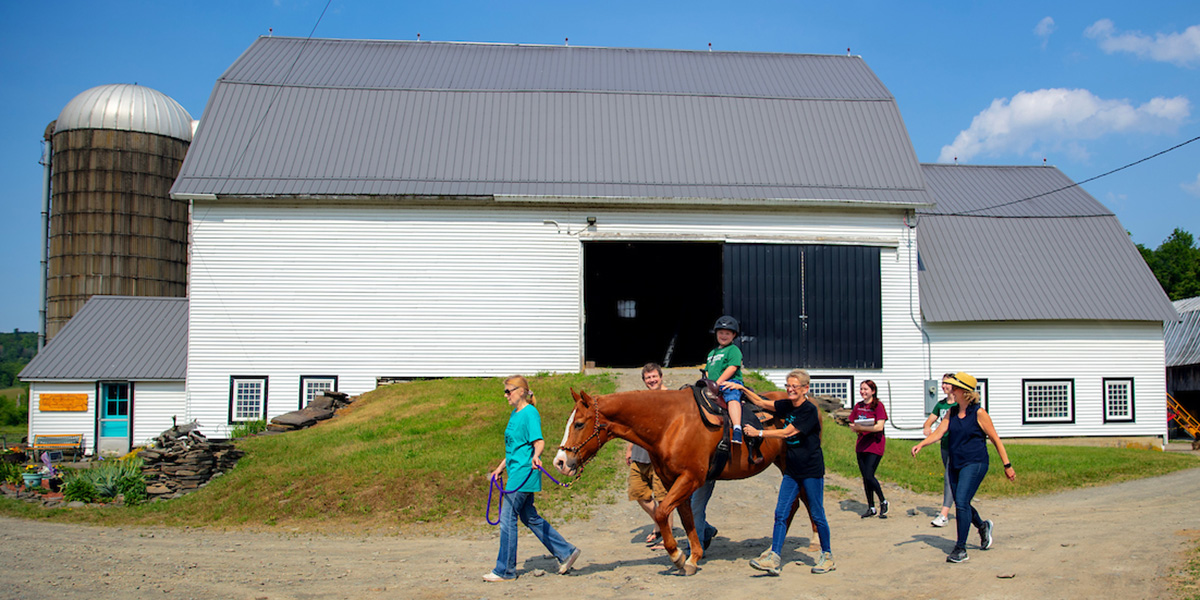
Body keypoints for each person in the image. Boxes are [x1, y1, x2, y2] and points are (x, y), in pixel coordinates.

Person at [736, 370, 835, 575]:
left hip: (810, 470)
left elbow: (787, 432)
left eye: (794, 386)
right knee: (780, 513)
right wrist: (742, 388)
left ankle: (827, 556)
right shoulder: (788, 405)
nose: (790, 389)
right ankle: (774, 557)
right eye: (788, 385)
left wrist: (759, 433)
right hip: (792, 470)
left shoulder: (809, 411)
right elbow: (764, 403)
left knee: (817, 514)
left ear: (805, 389)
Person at [911, 372, 1016, 564]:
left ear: (964, 391)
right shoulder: (951, 412)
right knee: (963, 502)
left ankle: (960, 548)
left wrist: (1007, 465)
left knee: (960, 501)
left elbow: (995, 439)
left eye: (954, 386)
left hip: (975, 463)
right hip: (955, 463)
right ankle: (982, 526)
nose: (950, 388)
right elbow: (939, 433)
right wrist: (922, 444)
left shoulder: (979, 413)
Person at [484, 376, 582, 582]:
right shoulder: (515, 414)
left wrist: (536, 456)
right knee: (529, 517)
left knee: (507, 519)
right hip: (514, 470)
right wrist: (500, 468)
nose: (506, 395)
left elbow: (538, 441)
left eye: (508, 391)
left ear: (521, 391)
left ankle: (505, 570)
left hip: (523, 473)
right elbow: (514, 447)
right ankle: (566, 552)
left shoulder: (530, 413)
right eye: (505, 391)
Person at [626, 363, 674, 550]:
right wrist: (629, 449)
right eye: (648, 378)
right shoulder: (642, 397)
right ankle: (660, 524)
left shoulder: (670, 398)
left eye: (654, 376)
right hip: (639, 453)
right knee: (639, 494)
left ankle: (667, 537)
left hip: (660, 456)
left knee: (664, 498)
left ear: (661, 377)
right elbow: (634, 426)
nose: (652, 380)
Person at [848, 380, 889, 518]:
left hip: (875, 444)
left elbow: (879, 427)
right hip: (861, 445)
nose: (863, 392)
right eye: (861, 389)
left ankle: (883, 501)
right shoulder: (858, 406)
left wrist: (862, 428)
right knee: (865, 477)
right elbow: (852, 422)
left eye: (866, 389)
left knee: (869, 475)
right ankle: (871, 507)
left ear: (873, 391)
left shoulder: (878, 406)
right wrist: (855, 427)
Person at [922, 374, 957, 527]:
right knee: (953, 477)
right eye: (942, 384)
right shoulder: (941, 405)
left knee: (949, 477)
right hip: (945, 445)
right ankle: (960, 506)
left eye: (947, 384)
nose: (943, 386)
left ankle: (944, 514)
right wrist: (927, 427)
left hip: (958, 446)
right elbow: (929, 420)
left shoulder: (958, 406)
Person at [706, 315, 746, 443]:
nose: (723, 336)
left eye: (727, 333)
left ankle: (737, 428)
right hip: (712, 385)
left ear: (734, 335)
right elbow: (707, 370)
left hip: (730, 382)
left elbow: (732, 368)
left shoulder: (733, 350)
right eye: (721, 333)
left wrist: (718, 383)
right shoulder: (712, 353)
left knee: (732, 396)